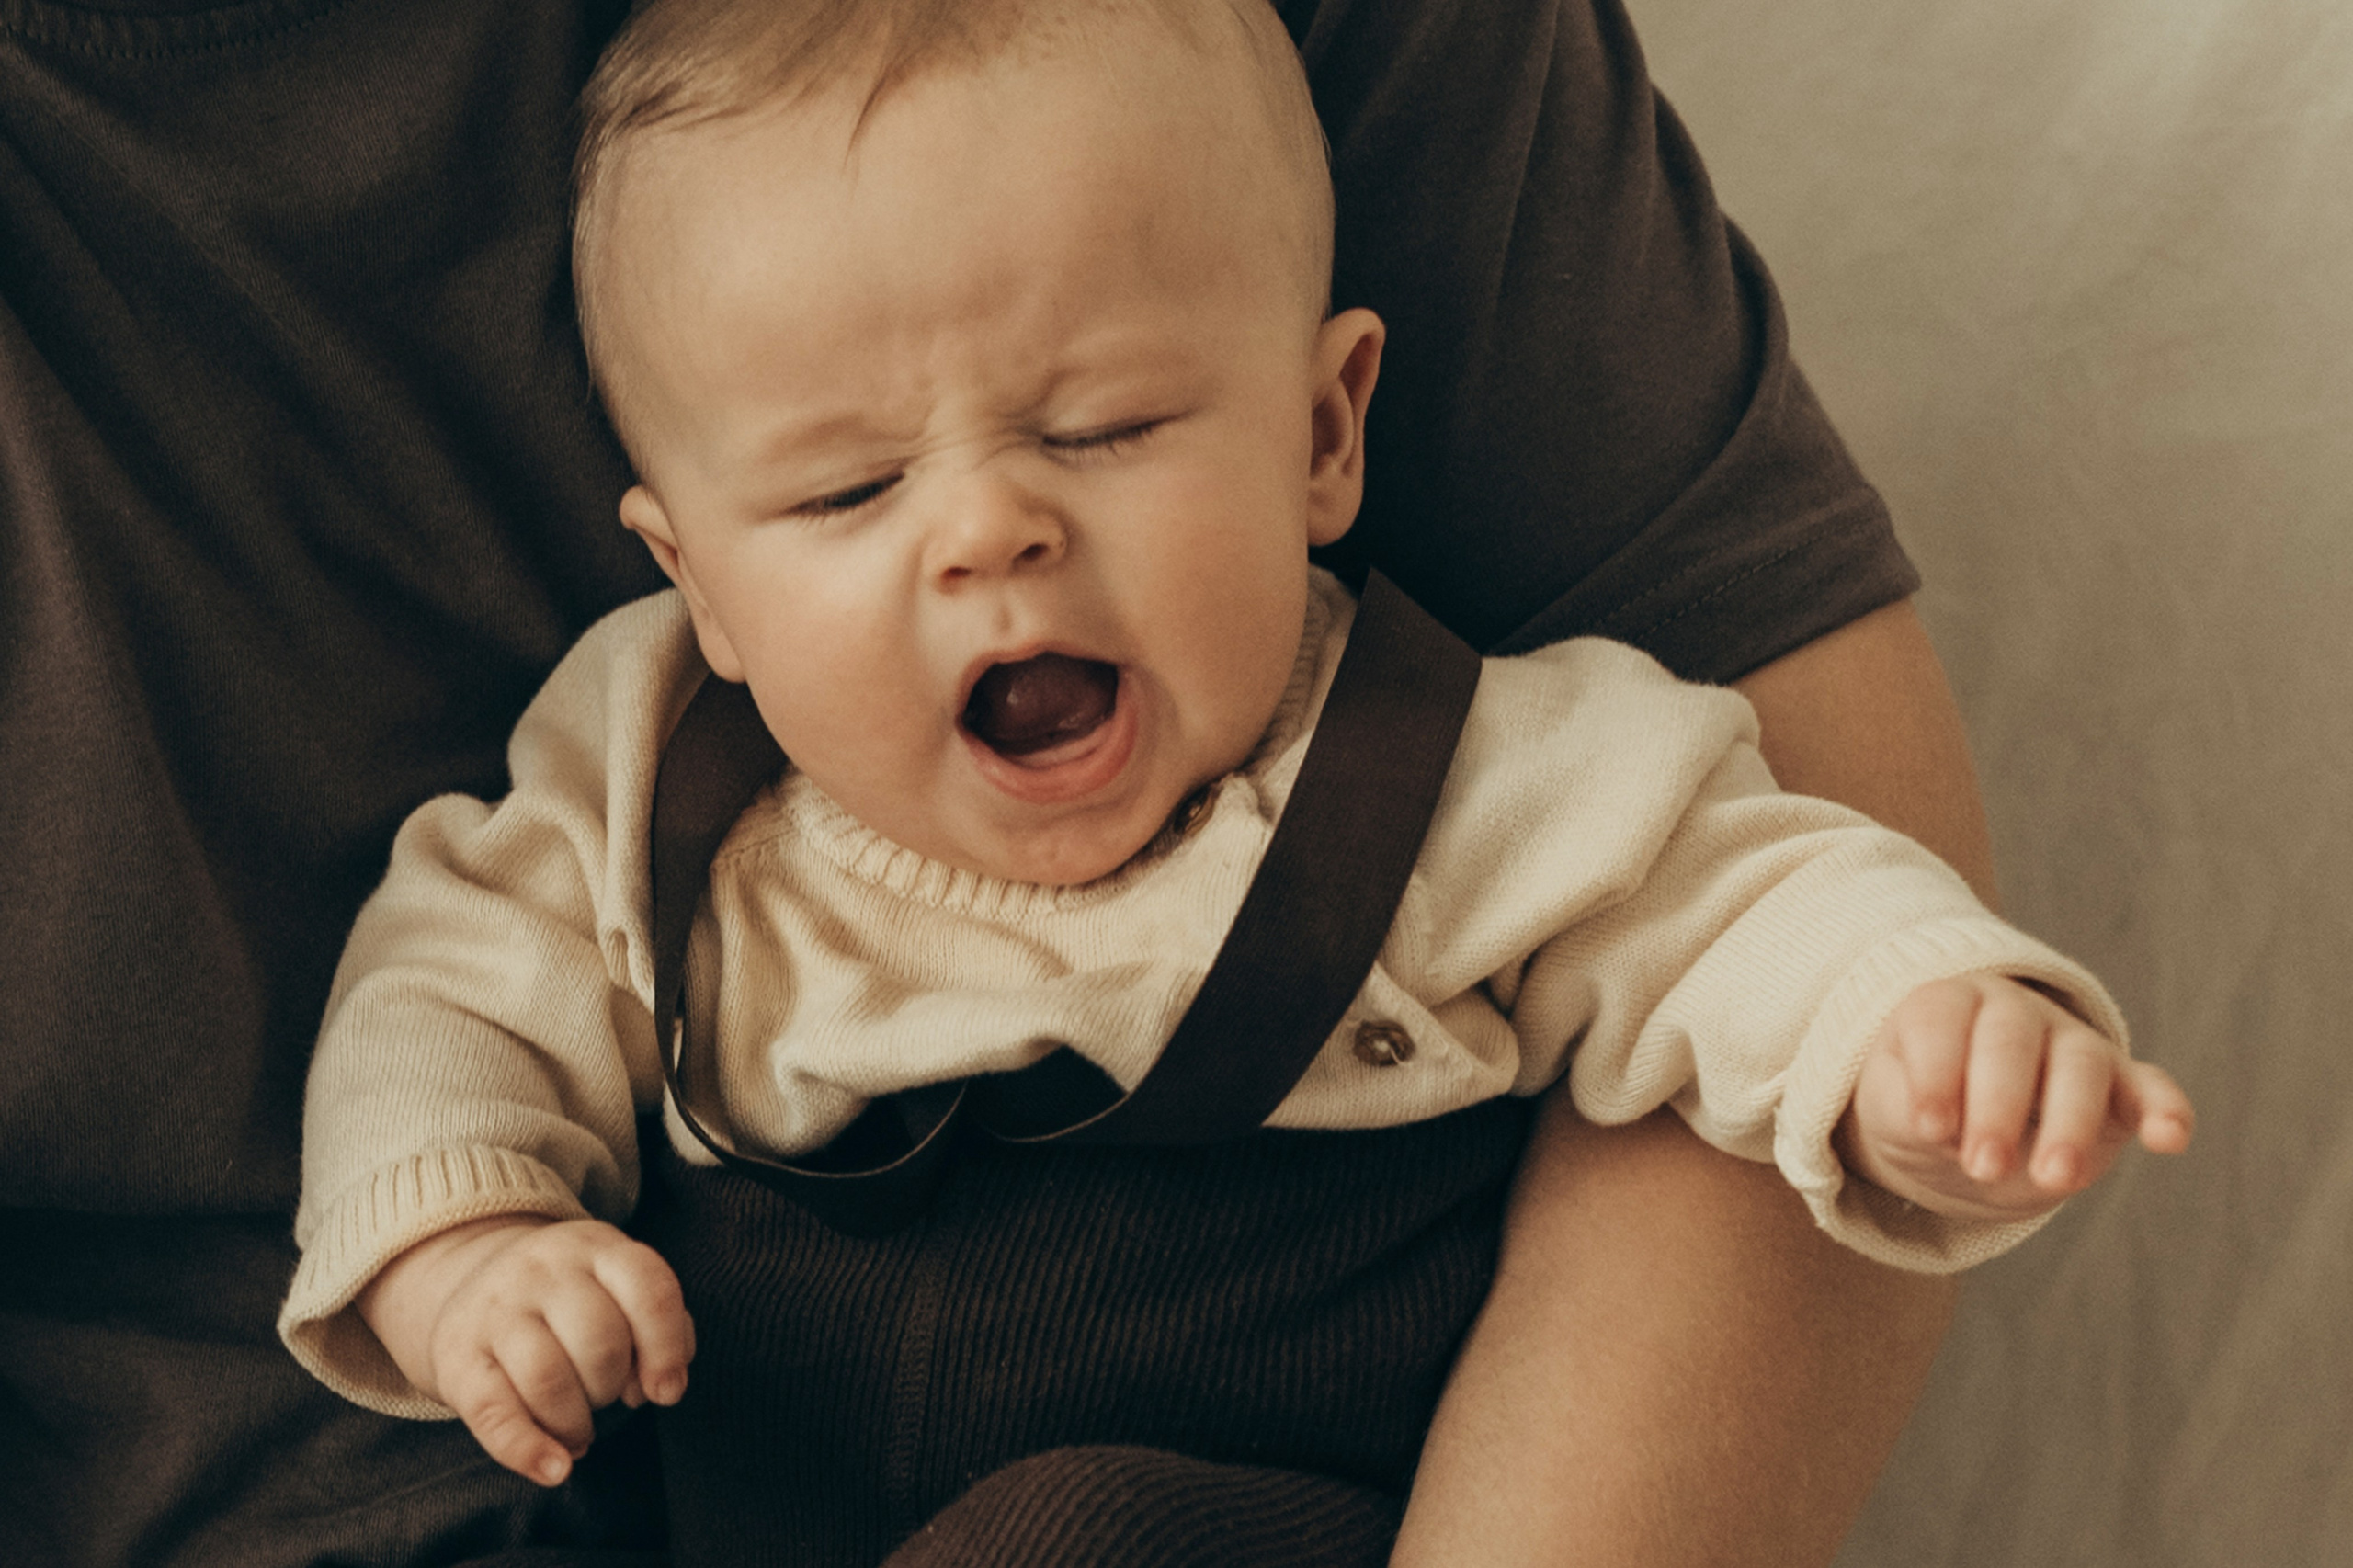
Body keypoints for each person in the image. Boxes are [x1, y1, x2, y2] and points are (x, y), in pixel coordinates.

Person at [0, 1, 2084, 1564]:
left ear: (1320, 434)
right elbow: (450, 992)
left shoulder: (1455, 766)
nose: (982, 533)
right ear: (693, 579)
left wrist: (1919, 1033)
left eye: (1094, 427)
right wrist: (466, 1251)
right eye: (842, 487)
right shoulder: (651, 785)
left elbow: (1745, 890)